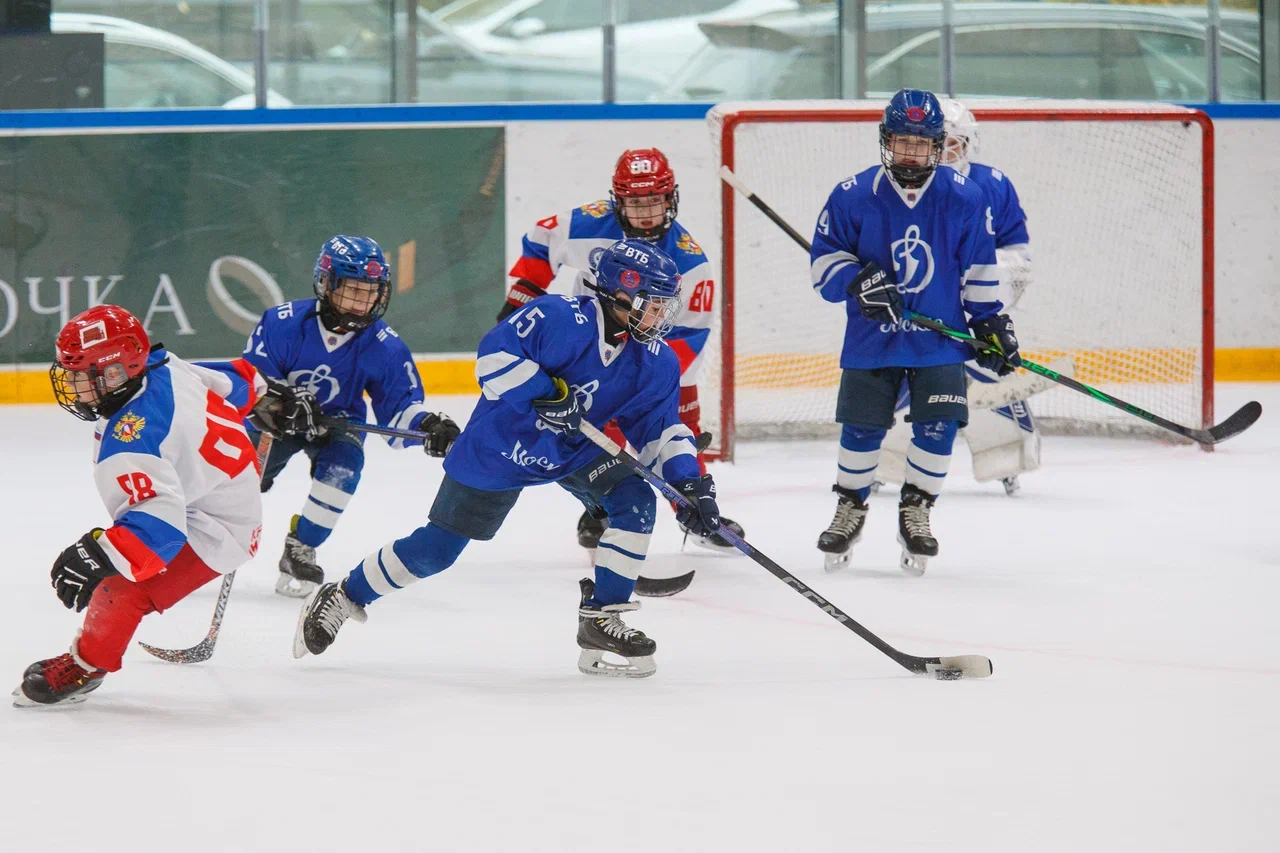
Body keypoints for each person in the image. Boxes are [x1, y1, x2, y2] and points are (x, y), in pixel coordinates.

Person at [294, 239, 721, 678]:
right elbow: (493, 356)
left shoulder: (656, 361)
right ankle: (347, 594)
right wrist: (547, 393)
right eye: (653, 305)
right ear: (620, 292)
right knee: (436, 551)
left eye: (665, 307)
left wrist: (688, 485)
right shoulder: (560, 318)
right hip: (500, 448)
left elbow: (661, 431)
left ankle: (601, 619)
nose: (660, 317)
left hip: (573, 453)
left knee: (634, 500)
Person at [808, 88, 1020, 575]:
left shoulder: (965, 198)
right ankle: (851, 506)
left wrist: (989, 322)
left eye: (922, 145)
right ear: (886, 141)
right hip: (870, 338)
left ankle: (917, 508)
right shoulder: (852, 195)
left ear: (938, 145)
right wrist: (856, 280)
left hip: (940, 337)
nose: (911, 154)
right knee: (862, 428)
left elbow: (980, 270)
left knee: (938, 425)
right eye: (902, 143)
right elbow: (823, 265)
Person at [14, 305, 265, 706]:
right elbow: (234, 383)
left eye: (82, 377)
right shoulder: (164, 364)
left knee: (120, 588)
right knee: (123, 556)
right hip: (217, 487)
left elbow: (160, 534)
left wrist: (99, 554)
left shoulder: (131, 443)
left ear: (115, 373)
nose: (73, 386)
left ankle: (85, 666)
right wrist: (263, 394)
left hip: (217, 529)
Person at [501, 148, 745, 558]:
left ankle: (695, 511)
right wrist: (523, 292)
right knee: (594, 429)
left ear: (671, 199)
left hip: (655, 356)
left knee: (678, 431)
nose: (645, 212)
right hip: (587, 348)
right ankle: (601, 511)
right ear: (617, 200)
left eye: (654, 201)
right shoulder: (586, 223)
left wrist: (646, 385)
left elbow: (688, 334)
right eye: (634, 202)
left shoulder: (688, 260)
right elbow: (542, 241)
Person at [241, 235, 460, 598]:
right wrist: (280, 401)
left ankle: (301, 545)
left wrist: (427, 424)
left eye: (370, 292)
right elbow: (249, 382)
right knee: (237, 480)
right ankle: (186, 536)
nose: (362, 302)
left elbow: (400, 406)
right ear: (326, 284)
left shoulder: (386, 345)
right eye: (353, 290)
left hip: (337, 425)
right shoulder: (282, 323)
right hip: (279, 424)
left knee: (342, 471)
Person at [873, 97, 1041, 497]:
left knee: (989, 385)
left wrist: (979, 285)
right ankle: (885, 464)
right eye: (940, 143)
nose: (947, 153)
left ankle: (1006, 460)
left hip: (976, 315)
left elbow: (1018, 255)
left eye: (955, 144)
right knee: (904, 386)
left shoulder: (992, 185)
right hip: (923, 316)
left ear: (969, 145)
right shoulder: (898, 187)